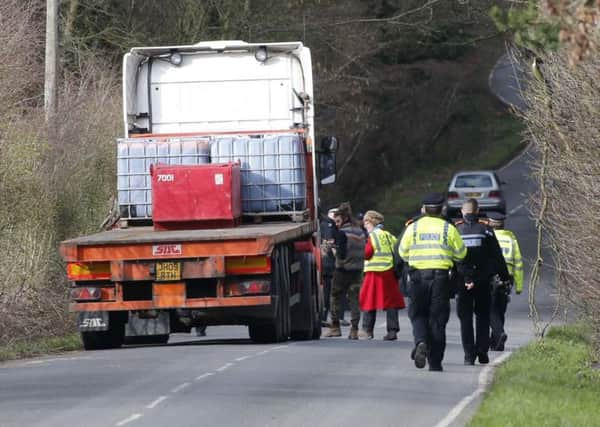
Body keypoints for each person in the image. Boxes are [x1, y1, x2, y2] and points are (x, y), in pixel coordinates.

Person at [398, 193, 467, 371]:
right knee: (437, 319)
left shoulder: (412, 228)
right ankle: (435, 362)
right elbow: (461, 254)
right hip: (441, 278)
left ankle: (420, 341)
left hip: (417, 277)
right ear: (442, 209)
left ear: (423, 209)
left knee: (418, 314)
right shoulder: (448, 228)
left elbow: (402, 253)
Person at [454, 200, 510, 365]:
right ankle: (482, 352)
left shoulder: (456, 231)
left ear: (462, 212)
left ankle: (468, 356)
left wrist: (464, 278)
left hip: (463, 281)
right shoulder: (486, 231)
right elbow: (497, 257)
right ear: (477, 211)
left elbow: (453, 259)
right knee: (483, 316)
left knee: (465, 318)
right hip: (483, 280)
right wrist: (505, 277)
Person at [359, 210, 406, 340]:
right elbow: (399, 251)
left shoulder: (373, 236)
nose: (364, 225)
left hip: (374, 273)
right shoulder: (389, 235)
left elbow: (367, 253)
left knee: (369, 301)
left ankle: (367, 330)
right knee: (390, 303)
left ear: (372, 222)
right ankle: (392, 331)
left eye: (366, 222)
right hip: (389, 272)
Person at [323, 202, 365, 339]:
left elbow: (341, 254)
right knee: (354, 300)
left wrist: (331, 248)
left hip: (343, 270)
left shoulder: (342, 233)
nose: (336, 224)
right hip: (357, 271)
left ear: (344, 218)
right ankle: (354, 330)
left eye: (338, 221)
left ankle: (335, 327)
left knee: (335, 297)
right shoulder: (360, 231)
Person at [487, 211, 523, 351]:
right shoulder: (511, 239)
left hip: (491, 278)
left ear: (490, 224)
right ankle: (497, 341)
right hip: (508, 279)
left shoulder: (488, 238)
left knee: (490, 309)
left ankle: (498, 334)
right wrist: (519, 285)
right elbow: (518, 263)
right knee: (500, 309)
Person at [320, 208, 338, 327]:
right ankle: (328, 318)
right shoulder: (329, 225)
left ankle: (325, 317)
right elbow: (329, 243)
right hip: (329, 264)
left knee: (329, 293)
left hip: (326, 264)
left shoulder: (326, 224)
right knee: (330, 293)